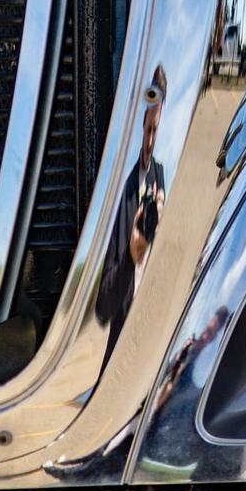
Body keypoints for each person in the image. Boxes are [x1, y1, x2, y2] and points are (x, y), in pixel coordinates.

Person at [96, 65, 167, 368]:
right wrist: (131, 255)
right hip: (122, 341)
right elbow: (104, 308)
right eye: (148, 129)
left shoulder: (161, 177)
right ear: (140, 125)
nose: (150, 140)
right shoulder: (122, 193)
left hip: (153, 337)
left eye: (156, 131)